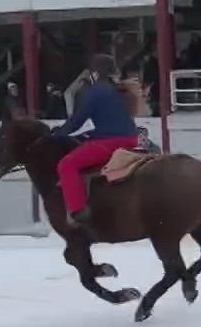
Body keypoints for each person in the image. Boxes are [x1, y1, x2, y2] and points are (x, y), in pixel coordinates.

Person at [52, 55, 142, 229]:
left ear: (93, 73)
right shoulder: (119, 90)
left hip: (111, 141)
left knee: (66, 165)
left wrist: (58, 134)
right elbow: (113, 120)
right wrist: (88, 134)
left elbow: (77, 120)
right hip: (131, 138)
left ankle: (78, 210)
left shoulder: (94, 92)